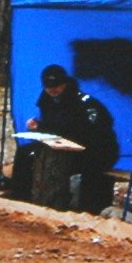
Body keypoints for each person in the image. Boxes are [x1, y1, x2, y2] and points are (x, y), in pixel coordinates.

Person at [11, 64, 119, 213]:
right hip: (61, 146)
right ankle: (20, 199)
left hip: (93, 150)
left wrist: (62, 134)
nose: (53, 91)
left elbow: (94, 131)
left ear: (65, 84)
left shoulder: (84, 103)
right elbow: (53, 125)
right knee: (25, 153)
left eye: (57, 86)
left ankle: (65, 206)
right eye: (49, 87)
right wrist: (38, 126)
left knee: (67, 165)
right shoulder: (47, 100)